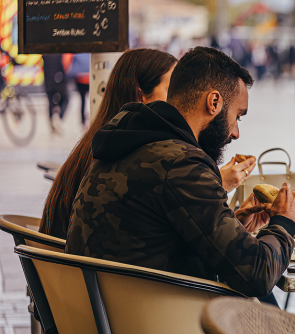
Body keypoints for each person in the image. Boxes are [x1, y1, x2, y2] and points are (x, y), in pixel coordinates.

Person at [66, 46, 295, 334]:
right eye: (237, 116)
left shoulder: (122, 145)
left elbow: (149, 241)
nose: (236, 132)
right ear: (214, 102)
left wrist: (233, 226)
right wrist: (285, 222)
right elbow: (257, 274)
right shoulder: (181, 162)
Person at [40, 49, 257, 241]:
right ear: (140, 96)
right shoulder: (133, 159)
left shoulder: (105, 146)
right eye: (173, 90)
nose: (181, 101)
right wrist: (213, 183)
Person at [42, 54, 70, 134]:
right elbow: (63, 65)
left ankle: (52, 121)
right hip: (58, 78)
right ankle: (58, 117)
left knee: (50, 101)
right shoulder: (59, 52)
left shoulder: (45, 54)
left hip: (48, 80)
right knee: (66, 98)